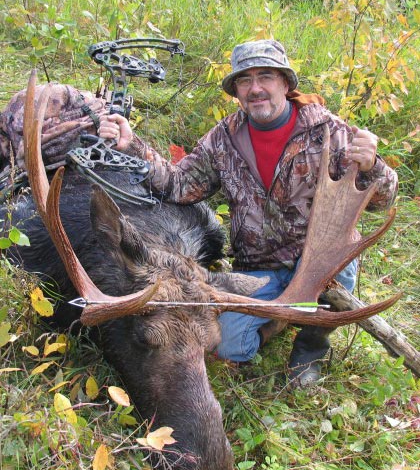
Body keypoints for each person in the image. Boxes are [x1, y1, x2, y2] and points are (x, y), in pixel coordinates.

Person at [99, 39, 398, 386]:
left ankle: (311, 345)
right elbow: (180, 186)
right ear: (237, 90)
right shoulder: (223, 139)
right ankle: (280, 318)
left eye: (266, 77)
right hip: (260, 269)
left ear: (285, 84)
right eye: (245, 80)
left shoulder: (329, 132)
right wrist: (132, 144)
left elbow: (382, 201)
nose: (256, 89)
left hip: (319, 264)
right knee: (227, 346)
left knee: (335, 276)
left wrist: (373, 165)